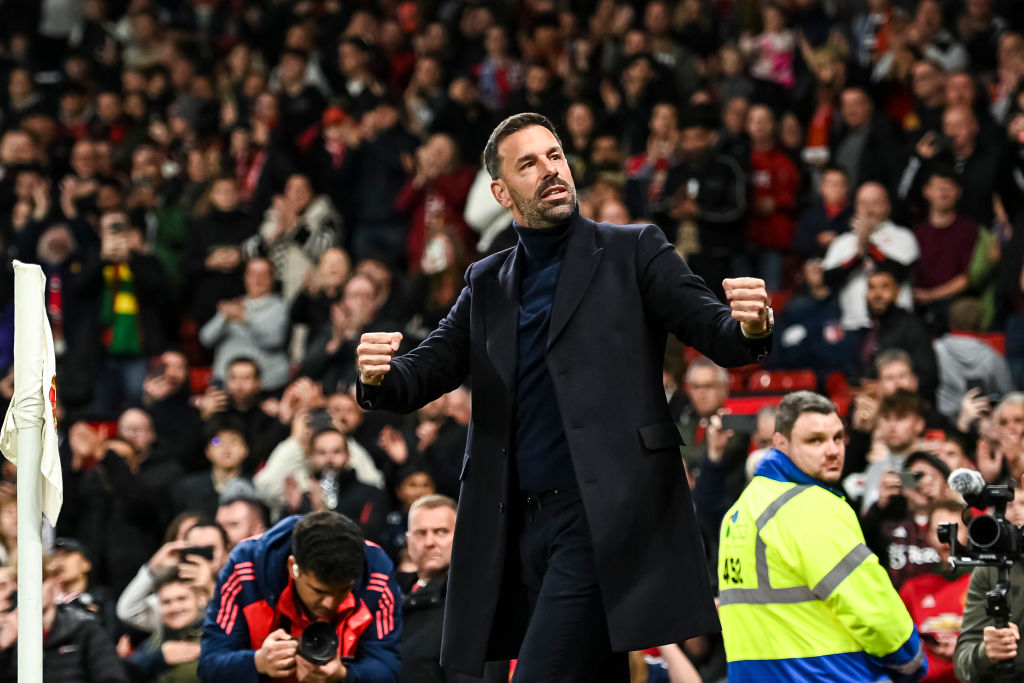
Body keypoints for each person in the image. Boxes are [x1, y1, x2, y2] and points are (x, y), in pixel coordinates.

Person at [356, 112, 773, 681]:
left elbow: (715, 332)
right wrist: (378, 375)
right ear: (502, 191)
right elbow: (426, 371)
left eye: (554, 155)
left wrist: (749, 326)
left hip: (604, 516)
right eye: (529, 163)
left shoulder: (634, 250)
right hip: (519, 524)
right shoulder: (487, 281)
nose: (551, 170)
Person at [717, 391, 926, 681]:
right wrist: (911, 660)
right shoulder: (811, 505)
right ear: (780, 443)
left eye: (837, 438)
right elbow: (871, 609)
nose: (832, 450)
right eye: (815, 440)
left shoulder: (739, 512)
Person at [198, 510, 400, 681]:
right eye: (319, 591)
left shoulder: (377, 572)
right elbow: (209, 664)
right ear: (292, 567)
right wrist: (257, 662)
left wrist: (343, 674)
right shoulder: (245, 566)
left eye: (343, 591)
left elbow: (390, 668)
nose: (330, 604)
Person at [953, 476, 1024, 679]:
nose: (1018, 511)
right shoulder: (990, 569)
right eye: (1010, 506)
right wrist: (986, 652)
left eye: (1023, 503)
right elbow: (962, 664)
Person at [398, 494, 468, 683]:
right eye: (421, 533)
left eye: (441, 531)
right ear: (409, 540)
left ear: (461, 536)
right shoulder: (391, 596)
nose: (430, 542)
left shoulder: (471, 605)